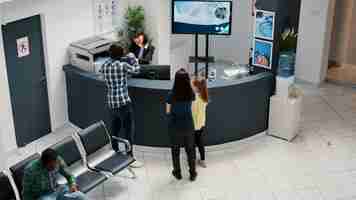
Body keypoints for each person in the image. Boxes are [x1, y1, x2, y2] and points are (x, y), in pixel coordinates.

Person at [100, 43, 143, 168]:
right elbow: (137, 69)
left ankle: (115, 152)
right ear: (120, 55)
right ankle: (129, 158)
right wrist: (133, 57)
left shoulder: (105, 65)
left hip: (112, 103)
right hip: (123, 103)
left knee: (115, 130)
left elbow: (107, 68)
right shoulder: (122, 65)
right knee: (128, 131)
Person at [166, 68, 197, 181]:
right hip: (188, 125)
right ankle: (192, 173)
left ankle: (177, 173)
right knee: (190, 150)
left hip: (174, 126)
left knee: (175, 151)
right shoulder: (191, 94)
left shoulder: (171, 95)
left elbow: (168, 112)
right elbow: (192, 106)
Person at [22, 148, 86, 200]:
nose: (54, 167)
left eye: (55, 165)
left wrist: (72, 184)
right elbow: (26, 192)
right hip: (44, 195)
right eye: (51, 167)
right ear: (43, 163)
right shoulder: (31, 170)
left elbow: (69, 176)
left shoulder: (58, 160)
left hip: (58, 189)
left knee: (80, 197)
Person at [191, 77, 209, 168]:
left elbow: (192, 111)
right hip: (201, 124)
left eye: (193, 85)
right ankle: (202, 160)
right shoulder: (204, 97)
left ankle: (193, 161)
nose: (191, 87)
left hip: (194, 125)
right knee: (200, 142)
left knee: (192, 143)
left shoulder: (194, 99)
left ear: (197, 87)